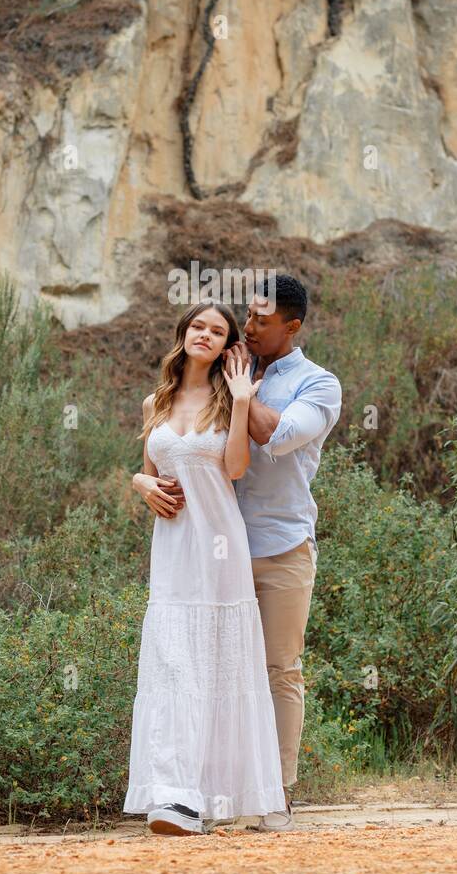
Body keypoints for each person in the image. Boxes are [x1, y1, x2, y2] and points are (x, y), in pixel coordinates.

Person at [124, 300, 287, 835]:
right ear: (183, 333)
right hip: (173, 551)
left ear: (225, 347)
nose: (206, 335)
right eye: (198, 326)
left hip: (219, 549)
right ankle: (174, 797)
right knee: (174, 667)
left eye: (218, 332)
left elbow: (235, 468)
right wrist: (140, 483)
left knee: (216, 666)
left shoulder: (229, 399)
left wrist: (242, 402)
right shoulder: (156, 401)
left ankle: (216, 796)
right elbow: (152, 473)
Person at [223, 274, 341, 832]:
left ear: (292, 327)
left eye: (261, 321)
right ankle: (218, 792)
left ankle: (278, 794)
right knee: (218, 667)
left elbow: (278, 437)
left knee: (279, 670)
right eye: (247, 316)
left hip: (283, 547)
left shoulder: (320, 385)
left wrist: (242, 393)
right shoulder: (226, 366)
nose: (247, 327)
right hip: (217, 545)